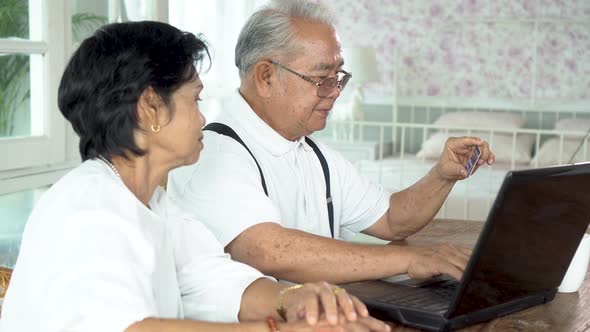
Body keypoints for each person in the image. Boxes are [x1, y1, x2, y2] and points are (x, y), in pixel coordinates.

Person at [0, 21, 391, 332]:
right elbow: (129, 328)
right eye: (195, 99)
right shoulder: (88, 207)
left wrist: (296, 300)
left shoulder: (152, 203)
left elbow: (213, 279)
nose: (203, 118)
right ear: (151, 107)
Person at [167, 0, 495, 285]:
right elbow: (267, 248)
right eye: (322, 79)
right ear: (266, 76)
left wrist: (442, 175)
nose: (336, 91)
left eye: (338, 77)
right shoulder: (212, 152)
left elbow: (393, 220)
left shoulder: (313, 154)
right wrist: (410, 260)